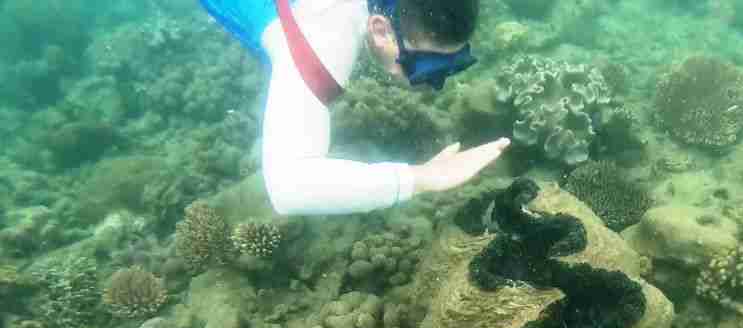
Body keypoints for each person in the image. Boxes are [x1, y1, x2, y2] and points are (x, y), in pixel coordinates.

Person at [199, 0, 510, 215]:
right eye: (427, 68)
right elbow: (287, 186)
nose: (432, 86)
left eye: (454, 65)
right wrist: (422, 178)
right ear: (379, 30)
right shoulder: (321, 43)